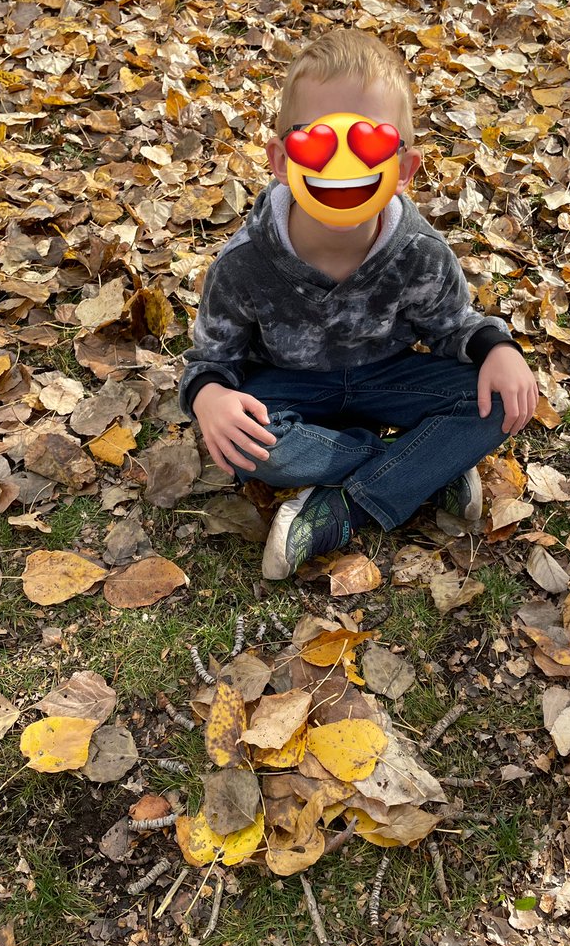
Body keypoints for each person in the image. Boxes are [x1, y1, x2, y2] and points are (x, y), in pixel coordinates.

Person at [179, 31, 538, 580]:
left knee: (498, 402)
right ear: (280, 159)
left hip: (390, 380)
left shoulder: (420, 253)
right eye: (318, 143)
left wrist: (498, 347)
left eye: (368, 145)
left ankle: (345, 505)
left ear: (403, 169)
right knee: (248, 446)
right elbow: (211, 360)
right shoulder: (246, 262)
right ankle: (426, 466)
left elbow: (454, 328)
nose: (343, 166)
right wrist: (209, 399)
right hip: (291, 392)